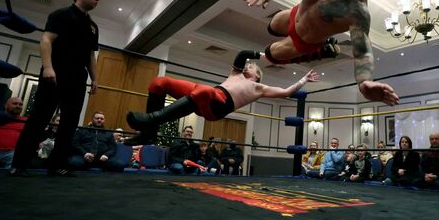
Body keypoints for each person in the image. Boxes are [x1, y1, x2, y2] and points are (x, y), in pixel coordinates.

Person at [243, 0, 399, 106]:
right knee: (271, 26)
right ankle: (322, 47)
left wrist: (364, 82)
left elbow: (362, 51)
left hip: (304, 41)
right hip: (294, 14)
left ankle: (321, 50)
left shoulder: (357, 10)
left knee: (271, 54)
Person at [124, 50, 319, 145]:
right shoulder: (235, 74)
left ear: (257, 74)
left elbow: (286, 92)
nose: (248, 65)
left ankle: (150, 120)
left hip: (218, 107)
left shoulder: (259, 87)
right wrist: (266, 55)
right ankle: (149, 134)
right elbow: (242, 54)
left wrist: (303, 79)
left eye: (251, 66)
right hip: (208, 94)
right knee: (159, 82)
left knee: (205, 91)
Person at [11, 0, 100, 177]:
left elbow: (91, 56)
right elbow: (46, 40)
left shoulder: (93, 26)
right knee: (39, 118)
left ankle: (58, 166)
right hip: (56, 74)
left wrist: (95, 79)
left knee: (69, 123)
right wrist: (48, 67)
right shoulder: (60, 15)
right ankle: (19, 164)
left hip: (78, 78)